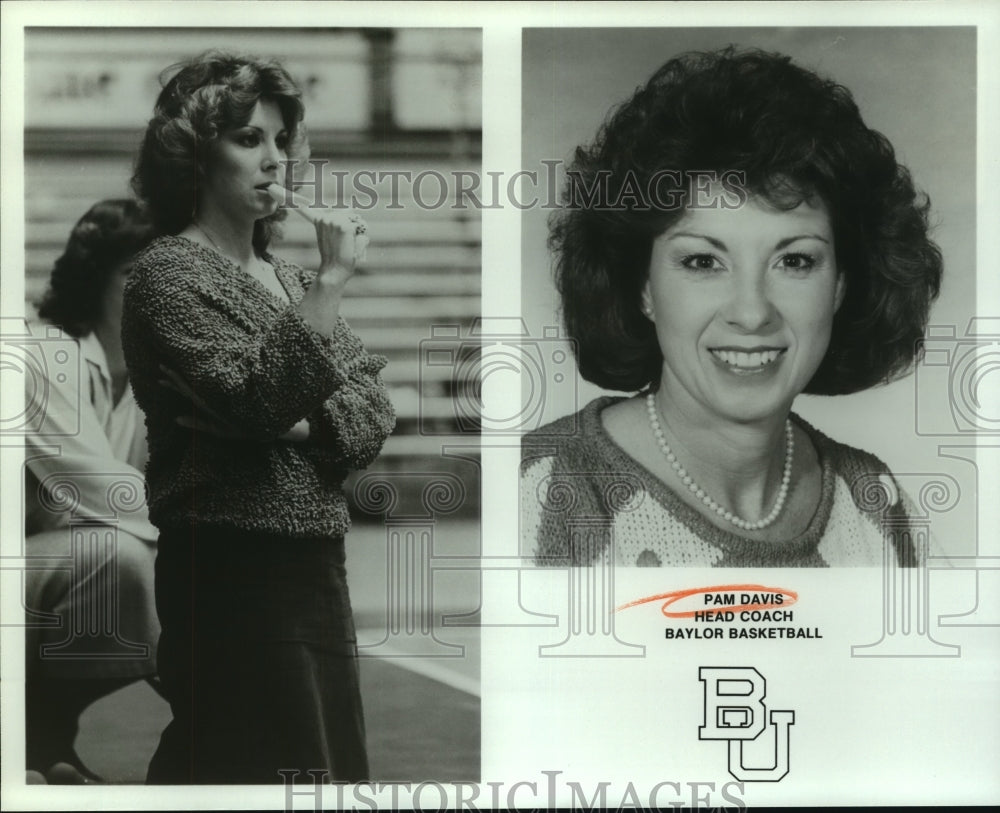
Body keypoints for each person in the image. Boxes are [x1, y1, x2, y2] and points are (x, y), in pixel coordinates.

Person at [521, 47, 943, 567]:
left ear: (839, 287)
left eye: (794, 260)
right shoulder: (538, 496)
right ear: (643, 287)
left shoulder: (877, 505)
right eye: (702, 261)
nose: (751, 312)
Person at [122, 52, 395, 783]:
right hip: (226, 565)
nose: (275, 160)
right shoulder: (167, 274)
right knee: (240, 767)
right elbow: (259, 399)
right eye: (249, 140)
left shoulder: (294, 281)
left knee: (327, 770)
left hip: (316, 565)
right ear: (194, 155)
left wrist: (305, 427)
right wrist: (334, 281)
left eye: (281, 140)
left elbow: (375, 408)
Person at [24, 199, 159, 783]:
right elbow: (106, 499)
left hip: (37, 569)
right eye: (135, 276)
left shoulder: (149, 373)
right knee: (120, 558)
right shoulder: (42, 355)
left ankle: (44, 744)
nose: (155, 294)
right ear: (92, 279)